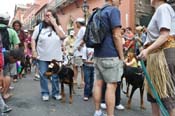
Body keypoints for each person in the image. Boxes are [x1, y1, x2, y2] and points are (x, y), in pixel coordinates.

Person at [138, 0, 175, 116]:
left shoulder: (163, 8)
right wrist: (146, 48)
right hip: (155, 57)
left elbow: (165, 35)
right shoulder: (160, 10)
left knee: (166, 97)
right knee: (154, 96)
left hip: (163, 55)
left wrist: (147, 49)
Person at [93, 0, 124, 116]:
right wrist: (122, 56)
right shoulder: (113, 10)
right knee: (111, 86)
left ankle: (97, 111)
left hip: (97, 54)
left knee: (98, 84)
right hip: (110, 54)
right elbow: (117, 35)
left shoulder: (98, 12)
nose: (120, 1)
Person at [31, 9, 66, 101]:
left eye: (49, 15)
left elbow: (62, 37)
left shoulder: (58, 27)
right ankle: (45, 92)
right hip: (42, 56)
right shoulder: (39, 27)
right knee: (43, 75)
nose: (47, 17)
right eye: (46, 15)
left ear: (54, 17)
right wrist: (34, 51)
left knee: (55, 76)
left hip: (55, 57)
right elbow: (33, 39)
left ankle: (55, 93)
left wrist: (54, 24)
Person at [0, 12, 20, 114]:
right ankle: (4, 93)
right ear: (8, 20)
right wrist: (14, 56)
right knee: (6, 74)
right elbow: (16, 45)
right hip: (6, 54)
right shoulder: (11, 31)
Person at [73, 18, 86, 88]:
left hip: (80, 52)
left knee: (80, 67)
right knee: (76, 66)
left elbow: (85, 37)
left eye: (76, 23)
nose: (76, 24)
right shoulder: (82, 29)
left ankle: (81, 81)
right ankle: (76, 81)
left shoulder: (83, 29)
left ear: (79, 23)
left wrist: (80, 46)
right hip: (78, 51)